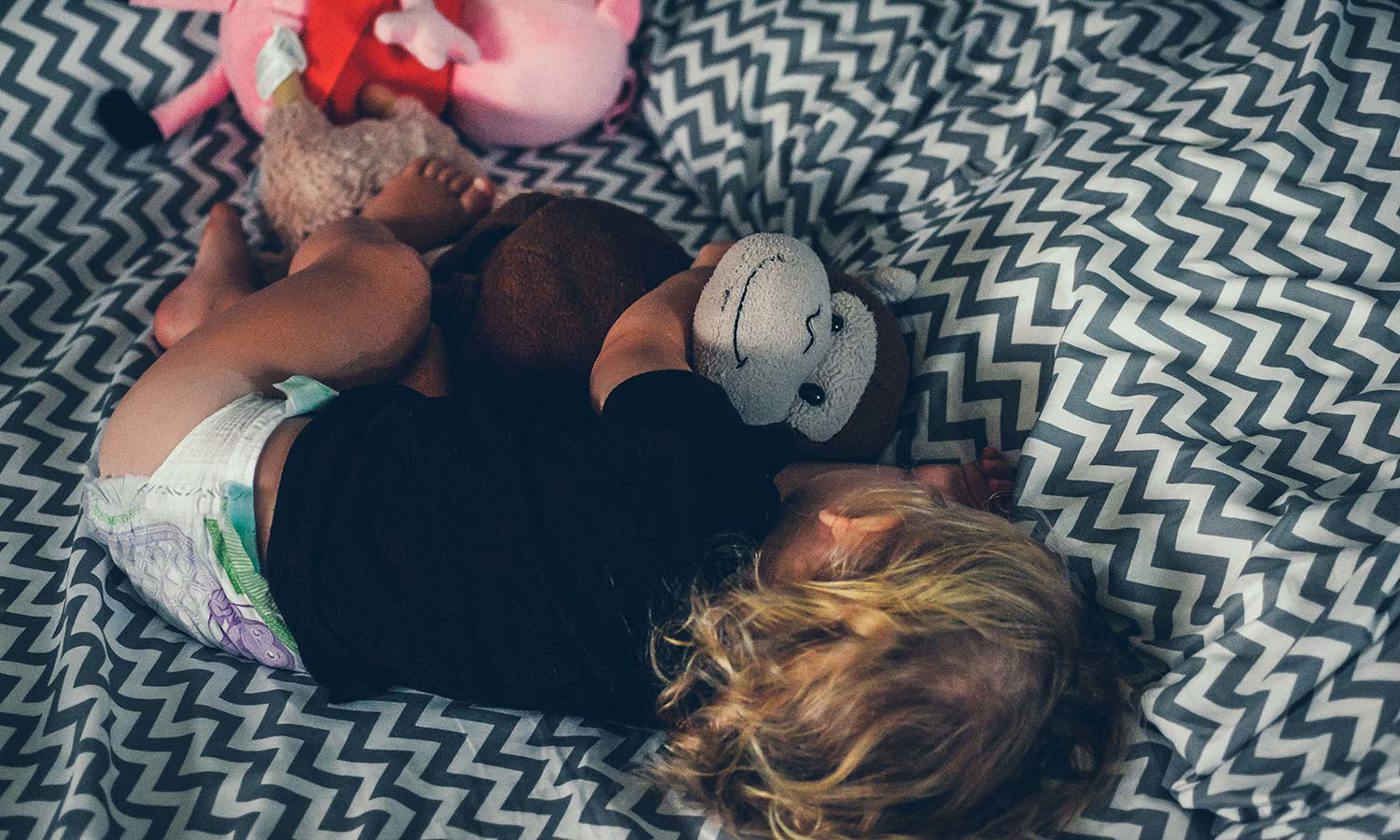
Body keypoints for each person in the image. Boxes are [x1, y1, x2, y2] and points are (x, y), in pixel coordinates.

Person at [88, 158, 1130, 840]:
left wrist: (708, 276)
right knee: (446, 411)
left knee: (392, 299)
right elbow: (787, 512)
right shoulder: (693, 688)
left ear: (866, 527)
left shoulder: (682, 478)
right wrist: (935, 496)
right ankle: (245, 314)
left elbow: (634, 349)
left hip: (179, 455)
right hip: (255, 613)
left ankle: (293, 264)